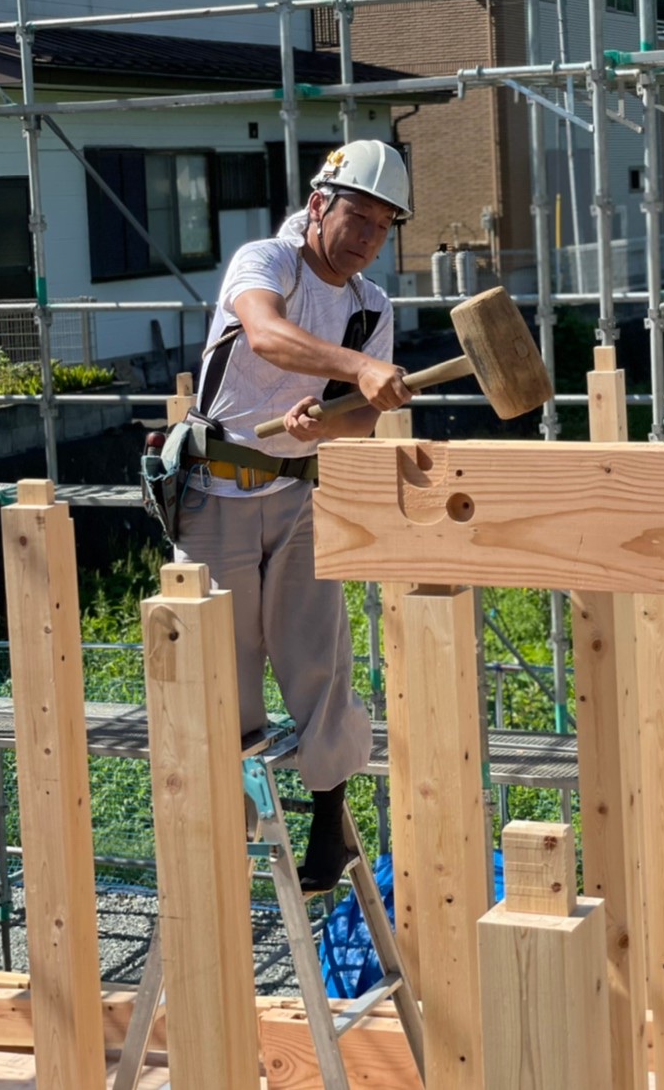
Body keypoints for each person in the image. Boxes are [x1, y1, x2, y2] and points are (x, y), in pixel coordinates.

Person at [173, 140, 413, 891]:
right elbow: (267, 333)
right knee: (222, 667)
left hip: (299, 492)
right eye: (357, 217)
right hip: (217, 489)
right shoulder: (265, 261)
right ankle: (228, 829)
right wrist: (358, 369)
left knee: (319, 659)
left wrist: (326, 420)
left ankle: (328, 825)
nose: (366, 237)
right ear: (318, 206)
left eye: (382, 226)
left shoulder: (371, 307)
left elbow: (356, 421)